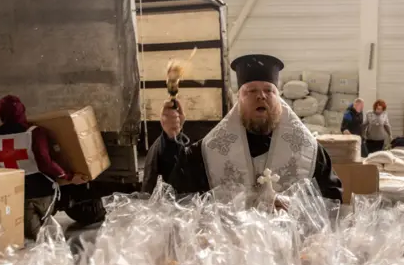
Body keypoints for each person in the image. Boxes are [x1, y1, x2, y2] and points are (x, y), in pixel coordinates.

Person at [146, 54, 343, 202]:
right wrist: (170, 139)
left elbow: (331, 204)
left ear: (279, 99)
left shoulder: (309, 152)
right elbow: (175, 194)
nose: (261, 96)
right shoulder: (208, 153)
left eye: (269, 90)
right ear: (237, 100)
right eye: (251, 91)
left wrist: (296, 212)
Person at [0, 95, 86, 240]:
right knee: (39, 238)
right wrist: (70, 177)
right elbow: (45, 163)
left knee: (27, 237)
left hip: (10, 195)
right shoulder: (34, 132)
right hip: (39, 193)